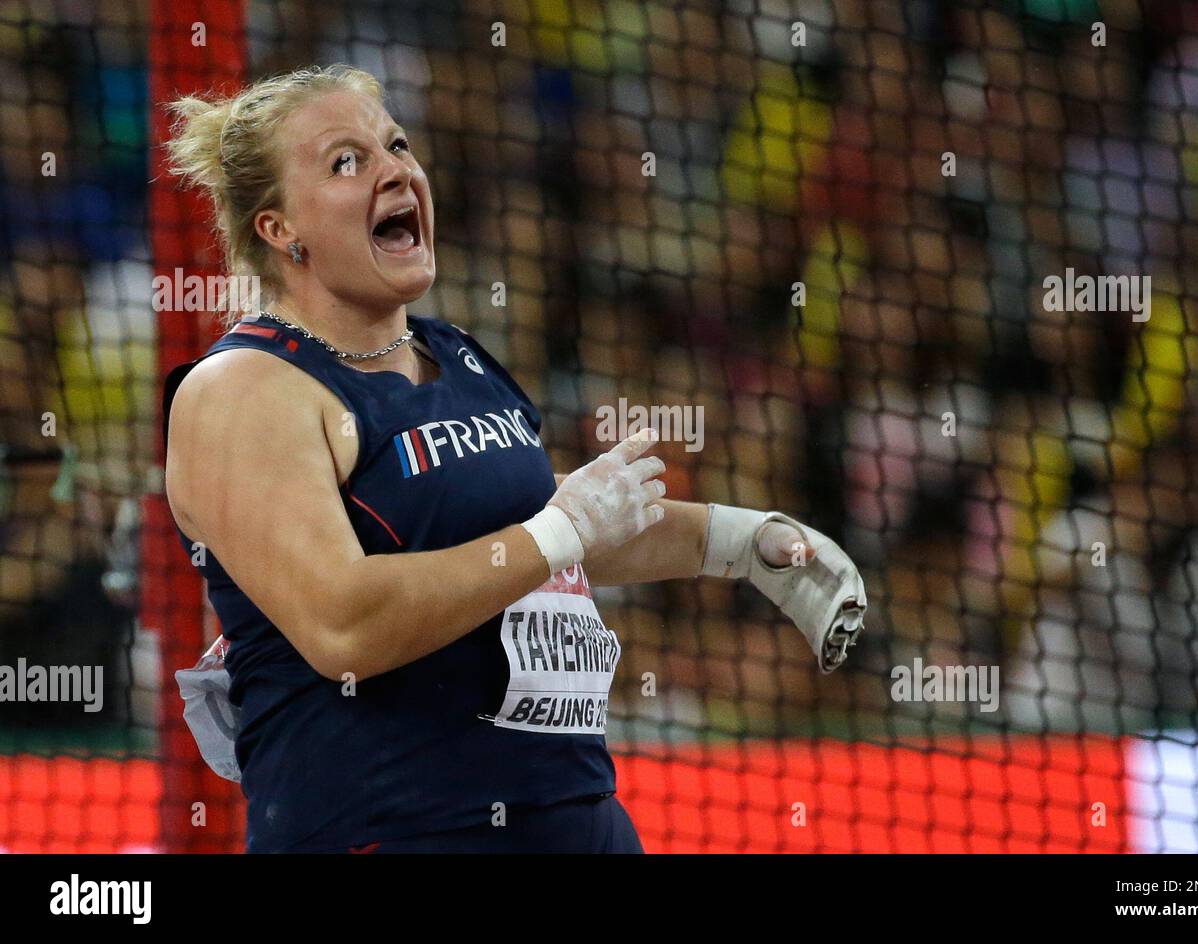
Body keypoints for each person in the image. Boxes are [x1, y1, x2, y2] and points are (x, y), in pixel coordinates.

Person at [162, 65, 866, 853]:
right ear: (278, 229)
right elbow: (342, 623)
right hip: (389, 832)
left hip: (577, 818)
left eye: (395, 144)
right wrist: (556, 536)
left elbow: (550, 520)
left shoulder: (455, 355)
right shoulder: (246, 389)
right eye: (345, 161)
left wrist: (744, 544)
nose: (395, 168)